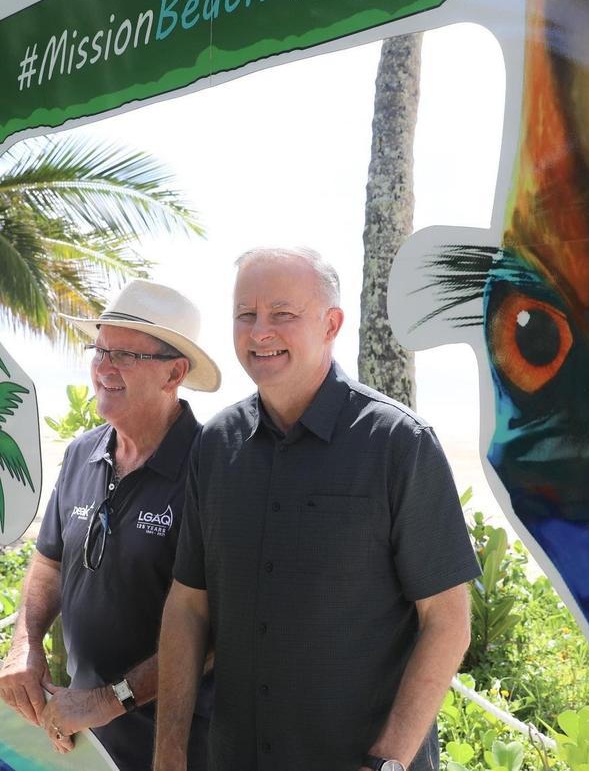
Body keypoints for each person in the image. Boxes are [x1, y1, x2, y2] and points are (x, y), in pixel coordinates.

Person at [154, 247, 480, 771]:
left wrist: (389, 762)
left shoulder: (398, 444)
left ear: (331, 324)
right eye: (245, 315)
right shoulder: (215, 446)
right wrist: (169, 753)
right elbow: (188, 606)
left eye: (282, 314)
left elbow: (447, 620)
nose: (260, 331)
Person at [0, 278, 220, 771]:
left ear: (174, 373)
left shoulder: (212, 468)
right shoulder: (82, 453)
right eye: (99, 351)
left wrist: (108, 699)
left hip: (180, 750)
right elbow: (49, 564)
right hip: (83, 747)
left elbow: (217, 628)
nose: (104, 368)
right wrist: (25, 646)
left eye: (125, 355)